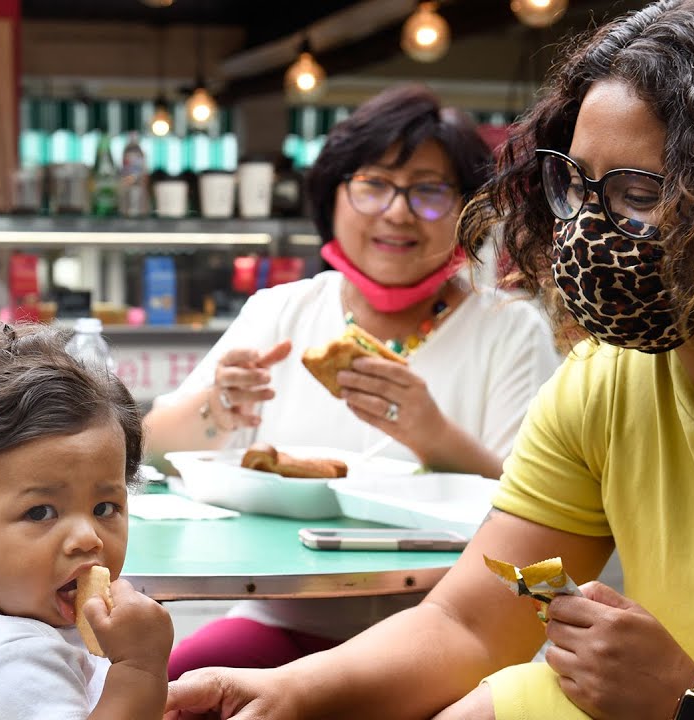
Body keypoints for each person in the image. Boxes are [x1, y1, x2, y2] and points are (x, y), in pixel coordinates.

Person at [162, 1, 694, 718]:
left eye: (639, 193)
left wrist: (692, 700)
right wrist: (288, 692)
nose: (588, 228)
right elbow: (468, 624)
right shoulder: (605, 383)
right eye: (577, 185)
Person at [143, 85, 560, 678]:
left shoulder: (509, 330)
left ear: (468, 209)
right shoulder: (279, 311)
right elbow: (151, 448)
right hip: (282, 617)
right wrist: (218, 407)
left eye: (428, 190)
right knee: (169, 689)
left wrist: (432, 434)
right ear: (333, 194)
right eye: (373, 184)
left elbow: (537, 517)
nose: (397, 211)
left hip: (437, 630)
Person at [0, 323, 173, 718]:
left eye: (105, 508)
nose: (87, 538)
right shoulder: (12, 664)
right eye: (40, 512)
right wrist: (141, 670)